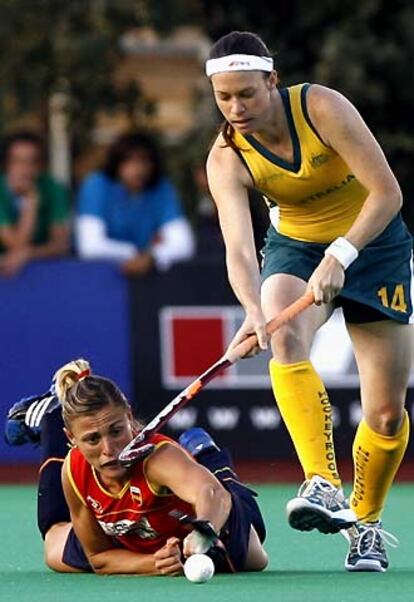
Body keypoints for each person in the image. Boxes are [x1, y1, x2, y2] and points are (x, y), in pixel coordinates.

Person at [204, 30, 412, 573]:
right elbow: (239, 250)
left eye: (246, 93)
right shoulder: (227, 155)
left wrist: (342, 255)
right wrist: (254, 312)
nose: (236, 107)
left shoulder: (321, 107)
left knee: (386, 415)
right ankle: (322, 483)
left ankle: (365, 524)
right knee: (285, 335)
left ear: (272, 80)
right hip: (295, 248)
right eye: (224, 97)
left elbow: (388, 191)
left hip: (377, 246)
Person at [4, 359, 268, 575]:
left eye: (116, 431)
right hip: (134, 541)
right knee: (53, 551)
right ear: (71, 440)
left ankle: (208, 456)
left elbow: (213, 494)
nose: (109, 448)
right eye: (92, 439)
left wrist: (204, 531)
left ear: (129, 417)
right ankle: (52, 413)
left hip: (201, 533)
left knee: (255, 556)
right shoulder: (73, 470)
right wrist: (155, 563)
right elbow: (99, 557)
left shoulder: (158, 458)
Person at [75, 131, 195, 276]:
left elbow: (184, 243)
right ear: (117, 163)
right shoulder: (96, 186)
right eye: (130, 161)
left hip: (143, 280)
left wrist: (153, 258)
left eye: (144, 161)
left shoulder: (160, 189)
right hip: (92, 278)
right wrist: (133, 254)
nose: (138, 169)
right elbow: (90, 246)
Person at [0, 131, 70, 277]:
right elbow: (17, 245)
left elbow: (61, 244)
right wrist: (31, 201)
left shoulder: (53, 189)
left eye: (32, 161)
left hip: (40, 276)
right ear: (6, 164)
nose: (25, 168)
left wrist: (30, 253)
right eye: (18, 161)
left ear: (41, 165)